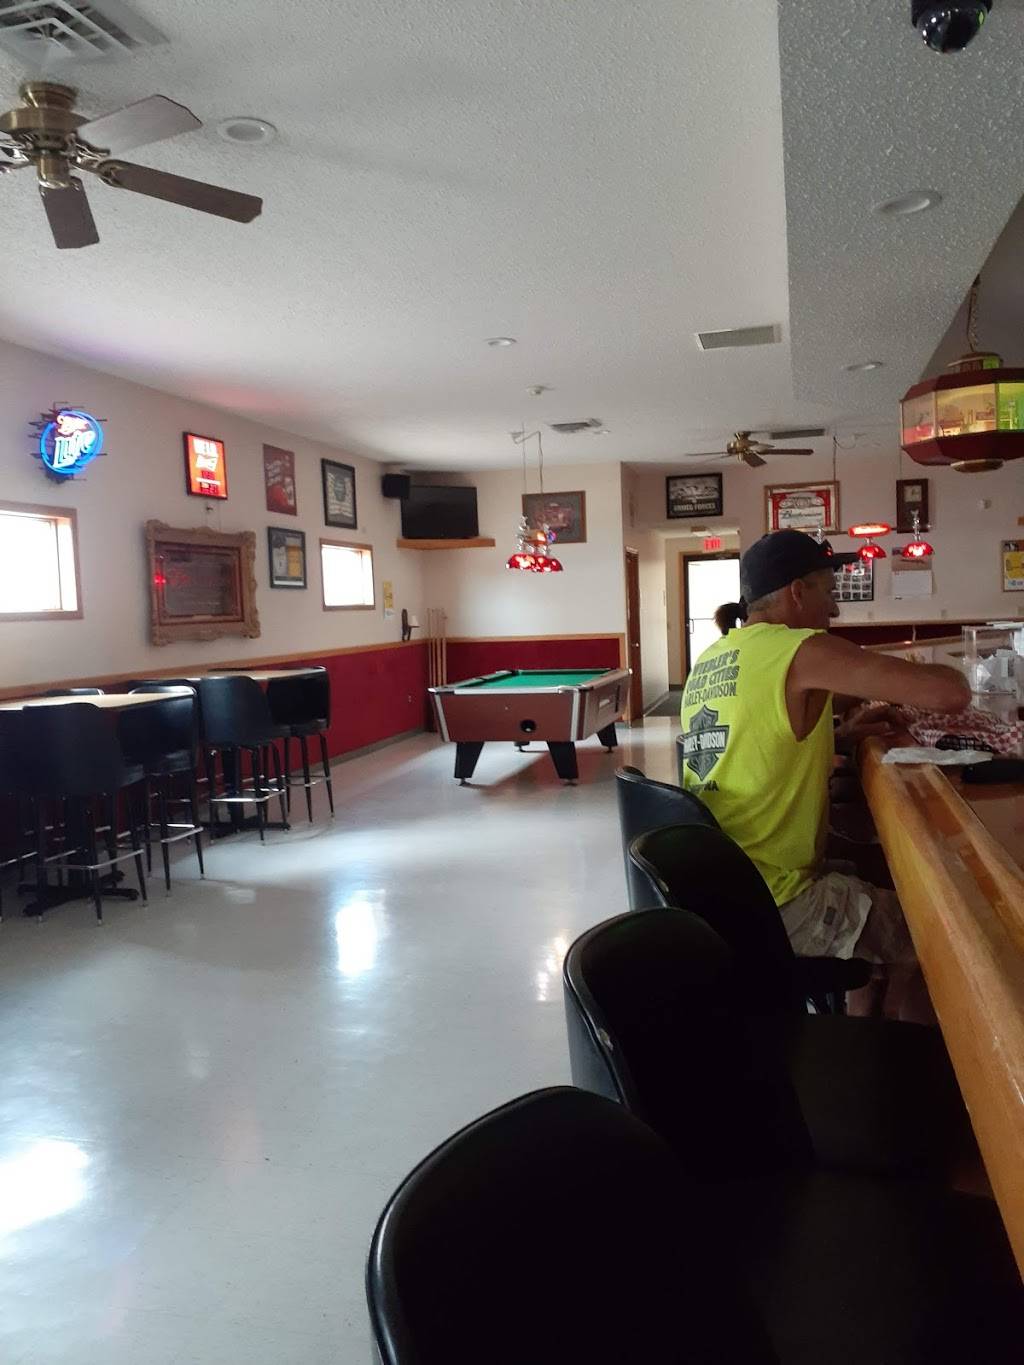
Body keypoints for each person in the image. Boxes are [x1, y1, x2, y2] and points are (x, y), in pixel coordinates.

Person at [679, 529, 969, 1020]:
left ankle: (863, 1032)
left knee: (869, 885)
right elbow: (951, 693)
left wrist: (840, 736)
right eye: (829, 592)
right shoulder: (800, 649)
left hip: (724, 886)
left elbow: (757, 738)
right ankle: (906, 1058)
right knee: (939, 939)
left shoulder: (714, 657)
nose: (834, 609)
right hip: (776, 899)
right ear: (798, 592)